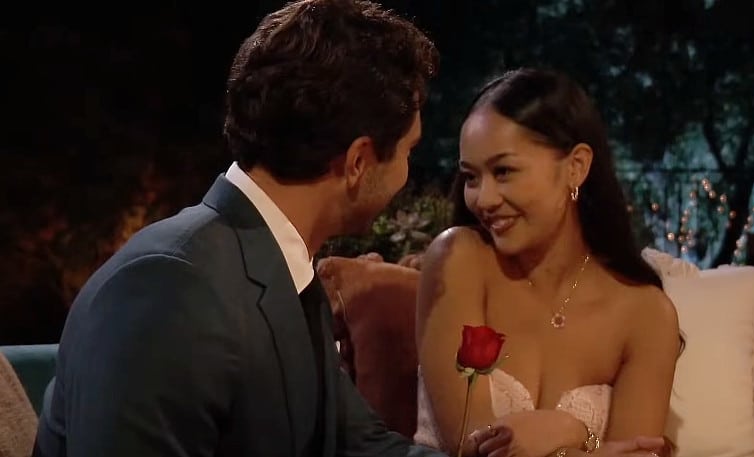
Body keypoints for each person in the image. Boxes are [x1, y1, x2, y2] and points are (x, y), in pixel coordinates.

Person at [31, 1, 513, 456]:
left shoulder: (278, 266)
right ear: (358, 162)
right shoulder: (170, 287)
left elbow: (355, 445)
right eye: (409, 151)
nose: (409, 172)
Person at [414, 68, 681, 457]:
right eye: (471, 177)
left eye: (503, 171)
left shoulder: (646, 315)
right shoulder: (458, 259)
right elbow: (472, 447)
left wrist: (572, 435)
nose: (483, 199)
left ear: (576, 166)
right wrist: (578, 441)